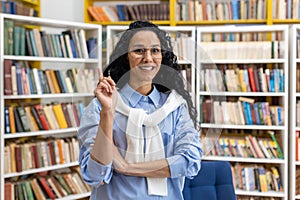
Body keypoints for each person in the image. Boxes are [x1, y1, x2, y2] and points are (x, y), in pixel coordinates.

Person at [78, 20, 202, 200]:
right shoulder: (99, 107)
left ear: (162, 57)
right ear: (125, 57)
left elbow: (189, 162)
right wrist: (108, 114)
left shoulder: (175, 108)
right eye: (139, 50)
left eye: (155, 50)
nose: (148, 58)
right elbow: (94, 175)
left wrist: (126, 167)